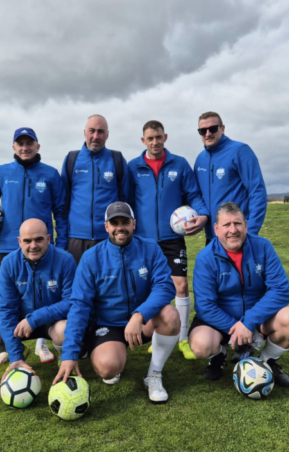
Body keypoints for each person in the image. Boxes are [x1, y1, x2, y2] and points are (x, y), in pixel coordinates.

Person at [53, 202, 180, 404]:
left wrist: (139, 315)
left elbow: (165, 286)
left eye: (125, 222)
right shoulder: (91, 258)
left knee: (171, 315)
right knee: (108, 368)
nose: (120, 227)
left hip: (141, 322)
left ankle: (154, 375)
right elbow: (79, 306)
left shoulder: (150, 248)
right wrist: (69, 354)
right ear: (106, 227)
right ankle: (113, 355)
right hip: (107, 325)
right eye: (114, 223)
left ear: (134, 224)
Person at [0, 127, 68, 365]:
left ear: (37, 146)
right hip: (8, 249)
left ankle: (46, 344)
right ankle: (15, 348)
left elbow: (61, 212)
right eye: (20, 143)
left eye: (29, 143)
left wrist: (62, 244)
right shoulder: (3, 172)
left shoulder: (50, 174)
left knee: (48, 296)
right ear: (13, 147)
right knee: (14, 300)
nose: (24, 147)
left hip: (45, 249)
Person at [189, 202, 289, 388]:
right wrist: (238, 329)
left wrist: (248, 323)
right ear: (216, 229)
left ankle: (266, 363)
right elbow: (204, 306)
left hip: (256, 319)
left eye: (238, 223)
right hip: (220, 322)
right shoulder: (205, 257)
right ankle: (219, 355)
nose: (233, 230)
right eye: (226, 225)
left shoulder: (263, 247)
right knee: (200, 345)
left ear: (246, 225)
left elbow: (281, 290)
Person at [128, 120, 210, 360]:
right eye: (150, 138)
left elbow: (193, 194)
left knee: (180, 286)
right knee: (148, 288)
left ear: (166, 137)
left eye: (159, 137)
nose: (155, 142)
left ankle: (182, 338)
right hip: (143, 240)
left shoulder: (180, 164)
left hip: (172, 238)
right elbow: (126, 200)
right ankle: (156, 335)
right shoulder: (133, 167)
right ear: (143, 141)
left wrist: (203, 215)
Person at [0, 219, 76, 382]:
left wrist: (35, 319)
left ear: (48, 239)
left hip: (53, 321)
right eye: (27, 241)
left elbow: (70, 302)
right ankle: (20, 351)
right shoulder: (9, 263)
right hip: (20, 320)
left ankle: (64, 354)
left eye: (39, 239)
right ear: (19, 242)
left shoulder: (65, 260)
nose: (33, 245)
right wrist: (15, 357)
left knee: (65, 329)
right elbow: (6, 310)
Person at [61, 115, 130, 264]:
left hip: (109, 236)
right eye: (92, 131)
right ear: (85, 132)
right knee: (78, 286)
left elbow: (126, 200)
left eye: (101, 131)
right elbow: (63, 203)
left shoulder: (117, 159)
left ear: (107, 134)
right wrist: (62, 240)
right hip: (76, 238)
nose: (96, 136)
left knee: (109, 285)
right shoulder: (71, 160)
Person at [193, 112, 267, 243]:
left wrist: (250, 233)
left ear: (223, 128)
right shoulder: (200, 159)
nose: (208, 133)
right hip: (212, 238)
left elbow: (257, 192)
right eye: (203, 130)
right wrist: (203, 215)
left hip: (237, 237)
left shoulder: (240, 151)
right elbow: (197, 195)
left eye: (213, 128)